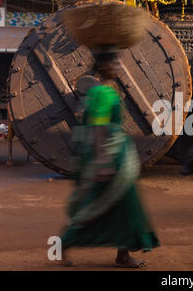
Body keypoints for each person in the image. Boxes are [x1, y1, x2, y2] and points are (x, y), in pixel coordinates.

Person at [60, 50, 160, 268]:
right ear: (105, 66)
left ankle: (122, 256)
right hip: (108, 157)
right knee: (95, 206)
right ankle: (63, 246)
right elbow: (98, 128)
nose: (120, 67)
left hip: (116, 155)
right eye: (116, 63)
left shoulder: (105, 91)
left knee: (124, 205)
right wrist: (103, 163)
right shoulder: (102, 93)